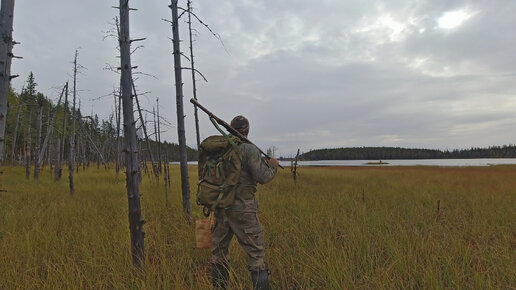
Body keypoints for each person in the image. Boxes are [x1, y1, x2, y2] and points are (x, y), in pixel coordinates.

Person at [211, 115, 279, 290]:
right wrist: (272, 165)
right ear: (247, 131)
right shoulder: (249, 150)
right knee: (256, 256)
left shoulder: (220, 149)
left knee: (218, 253)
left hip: (219, 208)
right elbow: (263, 177)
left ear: (229, 129)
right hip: (243, 209)